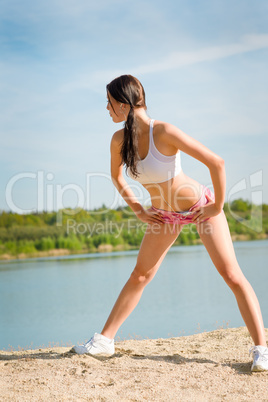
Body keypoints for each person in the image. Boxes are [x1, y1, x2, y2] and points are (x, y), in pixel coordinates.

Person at [72, 75, 268, 372]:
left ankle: (261, 350)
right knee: (140, 275)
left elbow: (217, 162)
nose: (107, 109)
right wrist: (137, 208)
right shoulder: (118, 140)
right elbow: (116, 176)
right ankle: (104, 341)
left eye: (109, 103)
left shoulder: (162, 131)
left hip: (200, 207)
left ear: (123, 104)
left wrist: (217, 204)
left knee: (231, 275)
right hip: (163, 215)